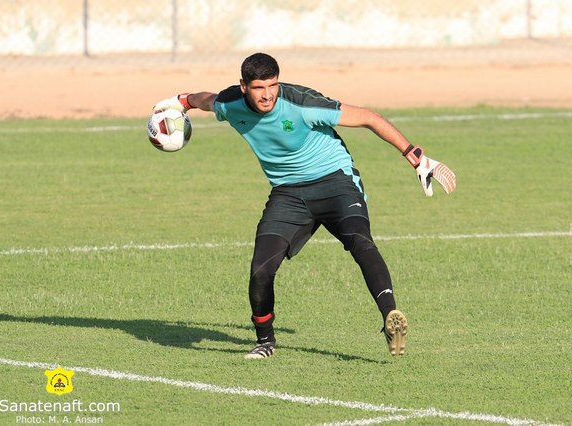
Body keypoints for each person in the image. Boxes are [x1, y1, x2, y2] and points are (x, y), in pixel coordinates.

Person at [153, 52, 456, 359]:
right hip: (289, 194)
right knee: (260, 269)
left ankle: (391, 317)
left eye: (272, 85)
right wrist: (182, 100)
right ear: (243, 86)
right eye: (259, 88)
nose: (268, 94)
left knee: (359, 240)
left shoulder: (301, 102)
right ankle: (265, 342)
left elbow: (368, 117)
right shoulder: (230, 104)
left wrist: (416, 157)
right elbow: (208, 100)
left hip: (336, 181)